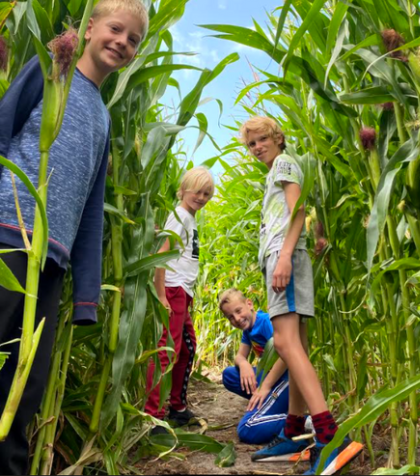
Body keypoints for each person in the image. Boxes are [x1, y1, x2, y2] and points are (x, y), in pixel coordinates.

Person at [0, 0, 149, 474]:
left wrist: (86, 294)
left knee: (21, 396)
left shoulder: (103, 118)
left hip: (51, 265)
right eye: (115, 29)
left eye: (133, 39)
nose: (122, 42)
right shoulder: (50, 72)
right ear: (89, 29)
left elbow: (89, 214)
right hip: (7, 242)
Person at [239, 116, 363, 475]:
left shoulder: (284, 162)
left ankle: (328, 436)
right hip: (283, 259)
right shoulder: (277, 167)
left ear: (277, 138)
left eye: (263, 139)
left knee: (285, 342)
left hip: (286, 258)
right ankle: (294, 432)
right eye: (252, 144)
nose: (258, 146)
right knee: (296, 347)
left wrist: (283, 258)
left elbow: (299, 212)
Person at [145, 166, 214, 433]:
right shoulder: (181, 216)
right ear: (184, 189)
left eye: (207, 193)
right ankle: (153, 417)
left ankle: (177, 407)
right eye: (197, 191)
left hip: (182, 291)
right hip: (172, 290)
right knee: (166, 352)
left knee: (186, 348)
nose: (201, 197)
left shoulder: (188, 217)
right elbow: (162, 256)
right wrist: (161, 294)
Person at [219, 289, 295, 448]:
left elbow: (286, 357)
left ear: (249, 304)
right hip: (270, 377)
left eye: (238, 311)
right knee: (229, 375)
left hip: (286, 381)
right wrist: (244, 363)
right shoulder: (248, 330)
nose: (237, 319)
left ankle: (302, 421)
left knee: (248, 428)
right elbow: (239, 356)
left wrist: (264, 387)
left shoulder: (266, 322)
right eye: (230, 317)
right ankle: (271, 406)